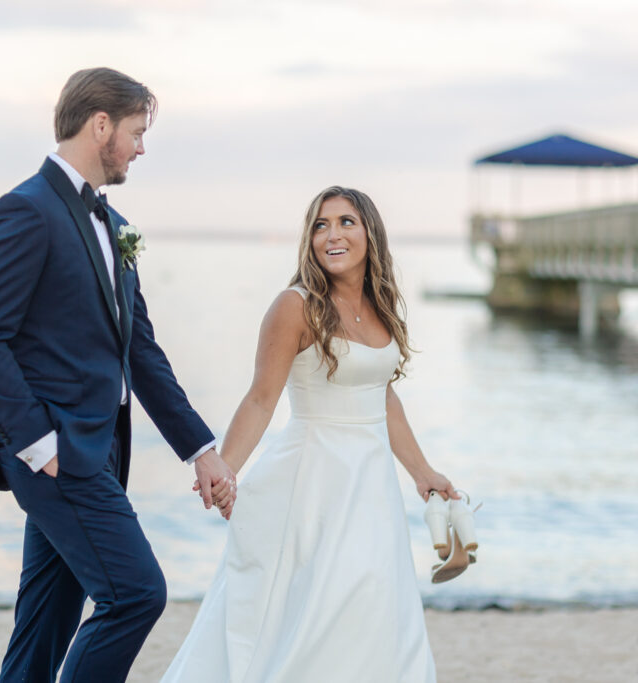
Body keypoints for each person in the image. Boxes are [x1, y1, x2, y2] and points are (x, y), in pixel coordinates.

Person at [0, 67, 236, 683]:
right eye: (137, 132)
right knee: (137, 594)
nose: (142, 147)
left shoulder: (113, 226)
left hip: (103, 450)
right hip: (58, 454)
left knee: (45, 625)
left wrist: (200, 449)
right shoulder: (24, 211)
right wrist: (38, 444)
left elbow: (140, 351)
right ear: (100, 124)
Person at [163, 186, 457, 682]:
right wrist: (223, 468)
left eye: (346, 222)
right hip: (313, 483)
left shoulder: (379, 305)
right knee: (317, 609)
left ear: (370, 233)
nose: (332, 235)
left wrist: (422, 472)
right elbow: (261, 399)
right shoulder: (295, 306)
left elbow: (382, 397)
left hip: (371, 487)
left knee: (375, 602)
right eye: (321, 225)